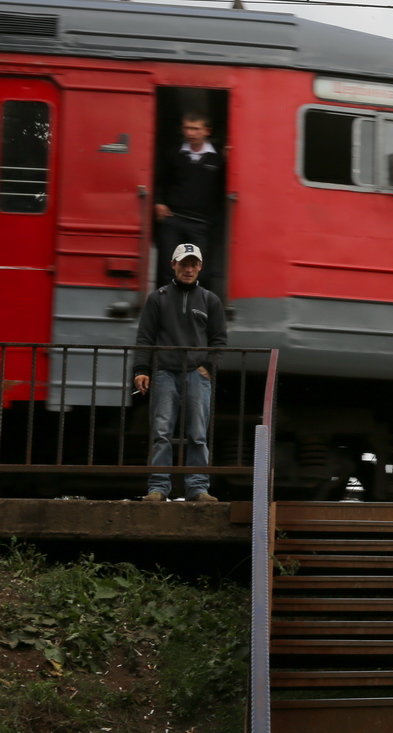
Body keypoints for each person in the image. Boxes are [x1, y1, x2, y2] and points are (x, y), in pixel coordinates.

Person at [133, 243, 227, 502]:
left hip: (198, 374)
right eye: (184, 264)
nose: (189, 269)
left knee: (197, 433)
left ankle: (198, 488)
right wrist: (141, 369)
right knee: (162, 432)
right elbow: (145, 337)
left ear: (200, 267)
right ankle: (158, 488)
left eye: (193, 264)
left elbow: (219, 339)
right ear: (173, 265)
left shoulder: (210, 300)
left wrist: (208, 366)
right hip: (164, 372)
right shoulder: (158, 298)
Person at [154, 113, 224, 290]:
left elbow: (225, 188)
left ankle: (194, 308)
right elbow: (160, 179)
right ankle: (167, 307)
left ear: (206, 131)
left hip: (202, 223)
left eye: (195, 128)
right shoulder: (173, 152)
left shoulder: (219, 157)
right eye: (187, 128)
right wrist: (159, 201)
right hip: (173, 219)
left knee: (199, 270)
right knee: (168, 267)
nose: (190, 133)